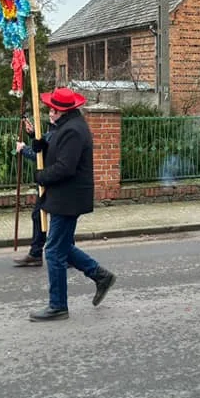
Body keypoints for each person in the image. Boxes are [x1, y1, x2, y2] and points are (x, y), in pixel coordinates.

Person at [27, 87, 117, 322]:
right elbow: (56, 152)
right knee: (62, 246)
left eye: (50, 109)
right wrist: (40, 146)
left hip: (69, 199)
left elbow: (66, 167)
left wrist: (41, 176)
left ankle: (58, 305)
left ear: (59, 111)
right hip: (63, 197)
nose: (48, 112)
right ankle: (100, 275)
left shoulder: (74, 131)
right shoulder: (65, 126)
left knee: (54, 251)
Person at [12, 115, 53, 267]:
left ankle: (66, 254)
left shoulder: (59, 131)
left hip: (52, 181)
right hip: (47, 181)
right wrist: (33, 134)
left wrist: (24, 149)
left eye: (53, 110)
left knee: (57, 219)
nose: (50, 114)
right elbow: (43, 144)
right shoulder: (55, 129)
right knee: (39, 216)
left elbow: (42, 155)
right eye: (50, 110)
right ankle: (36, 253)